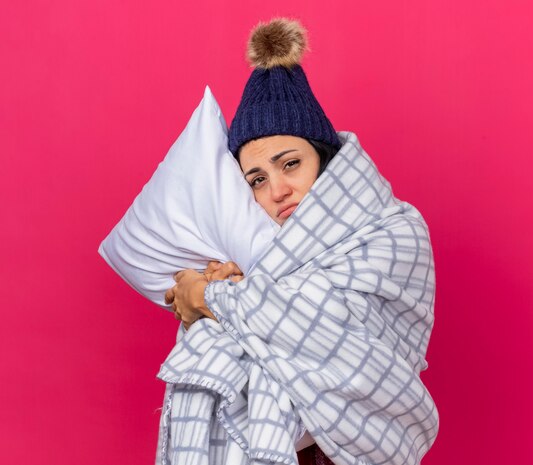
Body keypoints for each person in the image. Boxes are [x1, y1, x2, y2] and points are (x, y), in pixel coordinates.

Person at [160, 18, 438, 465]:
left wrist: (208, 297)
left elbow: (324, 324)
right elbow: (250, 352)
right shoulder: (255, 254)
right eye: (257, 178)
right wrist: (219, 302)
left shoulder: (394, 231)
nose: (277, 190)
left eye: (290, 164)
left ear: (325, 160)